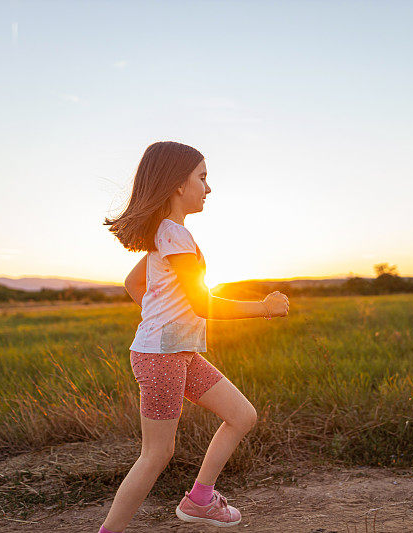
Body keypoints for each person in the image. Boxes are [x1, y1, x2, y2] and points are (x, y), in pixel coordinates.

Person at [99, 141, 289, 531]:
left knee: (241, 416)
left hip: (176, 351)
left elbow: (134, 283)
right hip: (162, 356)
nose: (209, 187)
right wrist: (264, 307)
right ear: (177, 185)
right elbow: (202, 303)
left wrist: (160, 317)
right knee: (156, 453)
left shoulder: (165, 235)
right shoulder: (174, 235)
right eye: (202, 177)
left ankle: (201, 498)